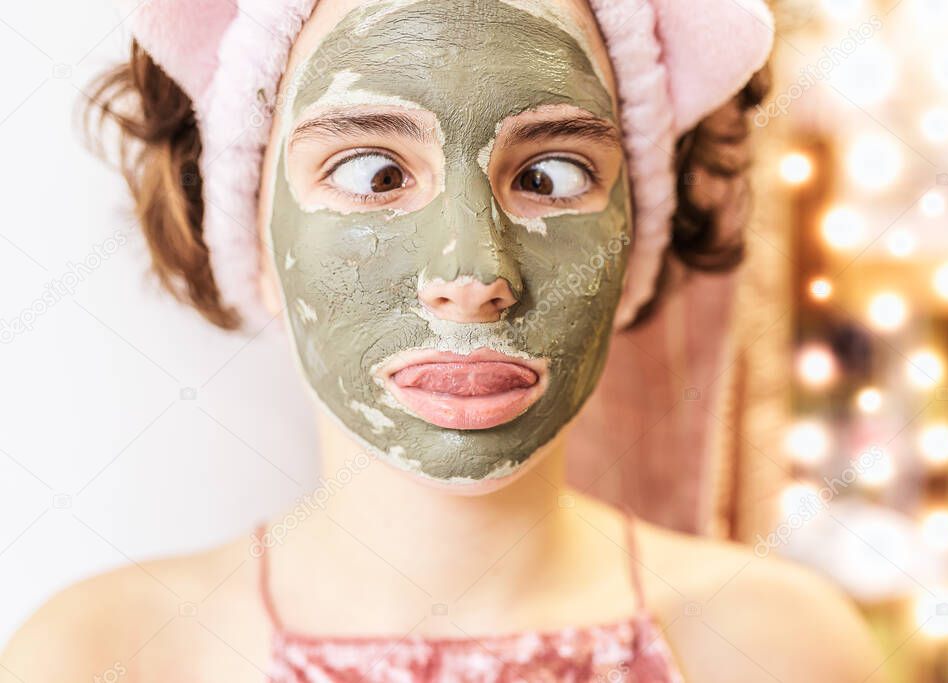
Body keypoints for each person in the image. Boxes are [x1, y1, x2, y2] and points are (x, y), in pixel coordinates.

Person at [1, 0, 883, 681]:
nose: (470, 274)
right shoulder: (99, 658)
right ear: (246, 226)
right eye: (375, 174)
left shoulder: (783, 649)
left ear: (637, 236)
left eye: (549, 174)